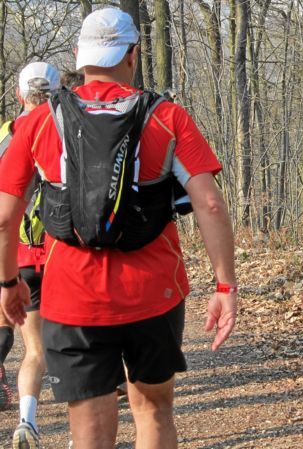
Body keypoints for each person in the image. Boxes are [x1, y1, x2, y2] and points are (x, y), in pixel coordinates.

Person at [0, 7, 237, 449]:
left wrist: (9, 282)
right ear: (133, 54)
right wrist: (225, 286)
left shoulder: (37, 122)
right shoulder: (167, 117)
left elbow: (4, 218)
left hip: (71, 297)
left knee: (89, 429)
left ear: (79, 54)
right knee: (154, 412)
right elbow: (209, 203)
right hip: (154, 292)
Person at [0, 61, 60, 448]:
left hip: (13, 253)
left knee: (18, 331)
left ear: (19, 95)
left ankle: (27, 419)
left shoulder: (6, 135)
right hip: (58, 253)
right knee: (53, 346)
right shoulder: (68, 131)